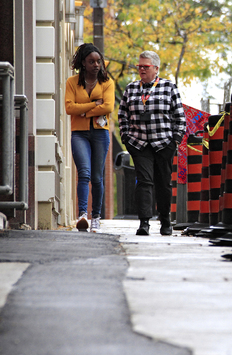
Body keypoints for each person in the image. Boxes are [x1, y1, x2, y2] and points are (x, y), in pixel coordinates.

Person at [118, 51, 186, 235]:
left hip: (164, 143)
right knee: (144, 182)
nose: (141, 69)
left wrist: (175, 140)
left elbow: (179, 116)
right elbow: (122, 115)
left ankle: (165, 221)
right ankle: (144, 223)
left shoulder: (168, 87)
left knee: (163, 183)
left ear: (155, 68)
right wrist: (126, 137)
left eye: (145, 67)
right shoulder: (131, 89)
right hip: (139, 144)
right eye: (139, 66)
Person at [65, 43, 114, 232]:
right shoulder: (72, 82)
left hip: (101, 133)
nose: (96, 65)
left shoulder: (107, 82)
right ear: (83, 63)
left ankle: (96, 217)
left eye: (98, 61)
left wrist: (83, 108)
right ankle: (83, 215)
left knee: (97, 176)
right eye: (91, 61)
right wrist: (93, 105)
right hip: (79, 134)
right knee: (83, 173)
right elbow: (70, 108)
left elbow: (108, 107)